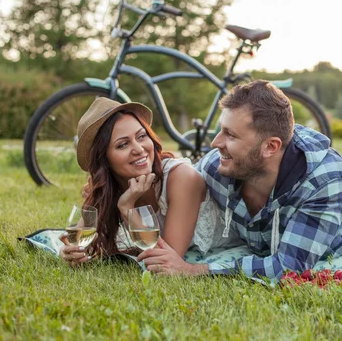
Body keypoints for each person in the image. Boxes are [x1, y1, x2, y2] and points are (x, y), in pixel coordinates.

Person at [138, 80, 342, 279]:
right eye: (221, 129)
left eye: (230, 134)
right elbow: (174, 188)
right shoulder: (223, 164)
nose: (215, 143)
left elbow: (287, 267)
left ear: (270, 147)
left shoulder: (326, 180)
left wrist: (195, 270)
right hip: (332, 201)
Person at [60, 97, 239, 268]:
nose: (139, 149)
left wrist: (127, 207)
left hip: (237, 246)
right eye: (123, 145)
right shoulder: (107, 187)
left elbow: (166, 258)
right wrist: (70, 252)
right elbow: (78, 238)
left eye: (141, 136)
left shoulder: (182, 178)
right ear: (104, 159)